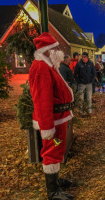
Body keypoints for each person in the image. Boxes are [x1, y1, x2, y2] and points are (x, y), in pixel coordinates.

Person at [28, 32, 74, 200]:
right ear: (48, 50)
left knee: (57, 148)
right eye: (56, 48)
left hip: (59, 119)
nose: (59, 50)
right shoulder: (41, 68)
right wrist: (47, 128)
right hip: (52, 122)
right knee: (52, 149)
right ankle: (52, 191)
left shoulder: (48, 65)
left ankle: (55, 179)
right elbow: (41, 100)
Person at [74, 52, 96, 116]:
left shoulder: (91, 64)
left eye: (84, 57)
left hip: (89, 84)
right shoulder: (79, 64)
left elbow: (94, 73)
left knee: (89, 98)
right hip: (81, 84)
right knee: (81, 98)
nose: (83, 58)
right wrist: (78, 81)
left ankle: (89, 111)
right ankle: (80, 112)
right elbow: (75, 74)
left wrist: (91, 81)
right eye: (82, 57)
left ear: (87, 57)